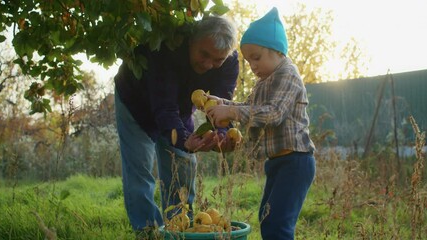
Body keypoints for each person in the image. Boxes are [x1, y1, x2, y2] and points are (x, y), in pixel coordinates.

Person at [113, 15, 239, 236]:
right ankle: (148, 232)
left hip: (178, 109)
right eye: (204, 54)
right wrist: (183, 140)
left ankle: (179, 230)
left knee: (182, 166)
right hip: (136, 102)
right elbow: (164, 106)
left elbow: (221, 105)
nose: (209, 64)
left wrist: (220, 134)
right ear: (192, 41)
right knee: (140, 168)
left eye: (217, 60)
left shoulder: (229, 63)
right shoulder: (165, 49)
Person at [206, 7, 316, 240]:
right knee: (267, 220)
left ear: (277, 50)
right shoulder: (264, 80)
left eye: (256, 57)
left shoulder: (288, 74)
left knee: (278, 224)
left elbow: (274, 114)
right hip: (277, 162)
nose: (252, 65)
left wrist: (231, 111)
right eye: (248, 60)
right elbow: (249, 107)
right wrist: (222, 102)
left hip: (296, 161)